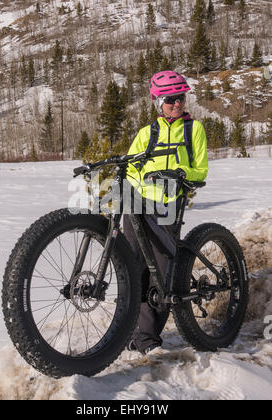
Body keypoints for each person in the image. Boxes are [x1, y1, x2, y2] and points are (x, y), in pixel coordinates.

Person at [123, 70, 208, 354]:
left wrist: (181, 173)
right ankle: (128, 330)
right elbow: (131, 167)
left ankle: (146, 338)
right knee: (131, 269)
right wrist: (140, 182)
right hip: (138, 205)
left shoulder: (192, 129)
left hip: (169, 205)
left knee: (160, 274)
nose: (177, 104)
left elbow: (201, 169)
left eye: (181, 98)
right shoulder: (147, 133)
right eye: (171, 99)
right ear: (159, 102)